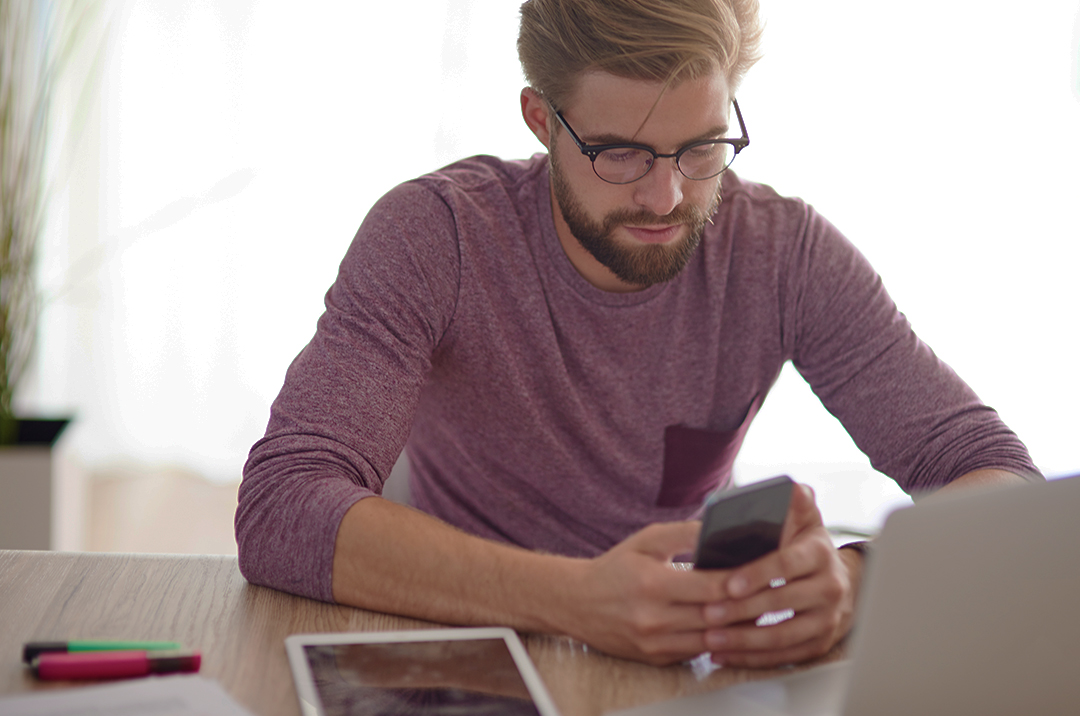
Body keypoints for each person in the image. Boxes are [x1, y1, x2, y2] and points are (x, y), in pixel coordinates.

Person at [235, 0, 1040, 668]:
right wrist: (579, 601)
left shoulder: (783, 253)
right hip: (464, 652)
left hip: (680, 667)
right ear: (542, 119)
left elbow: (998, 479)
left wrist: (858, 577)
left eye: (701, 149)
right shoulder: (436, 237)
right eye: (620, 153)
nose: (666, 197)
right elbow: (281, 506)